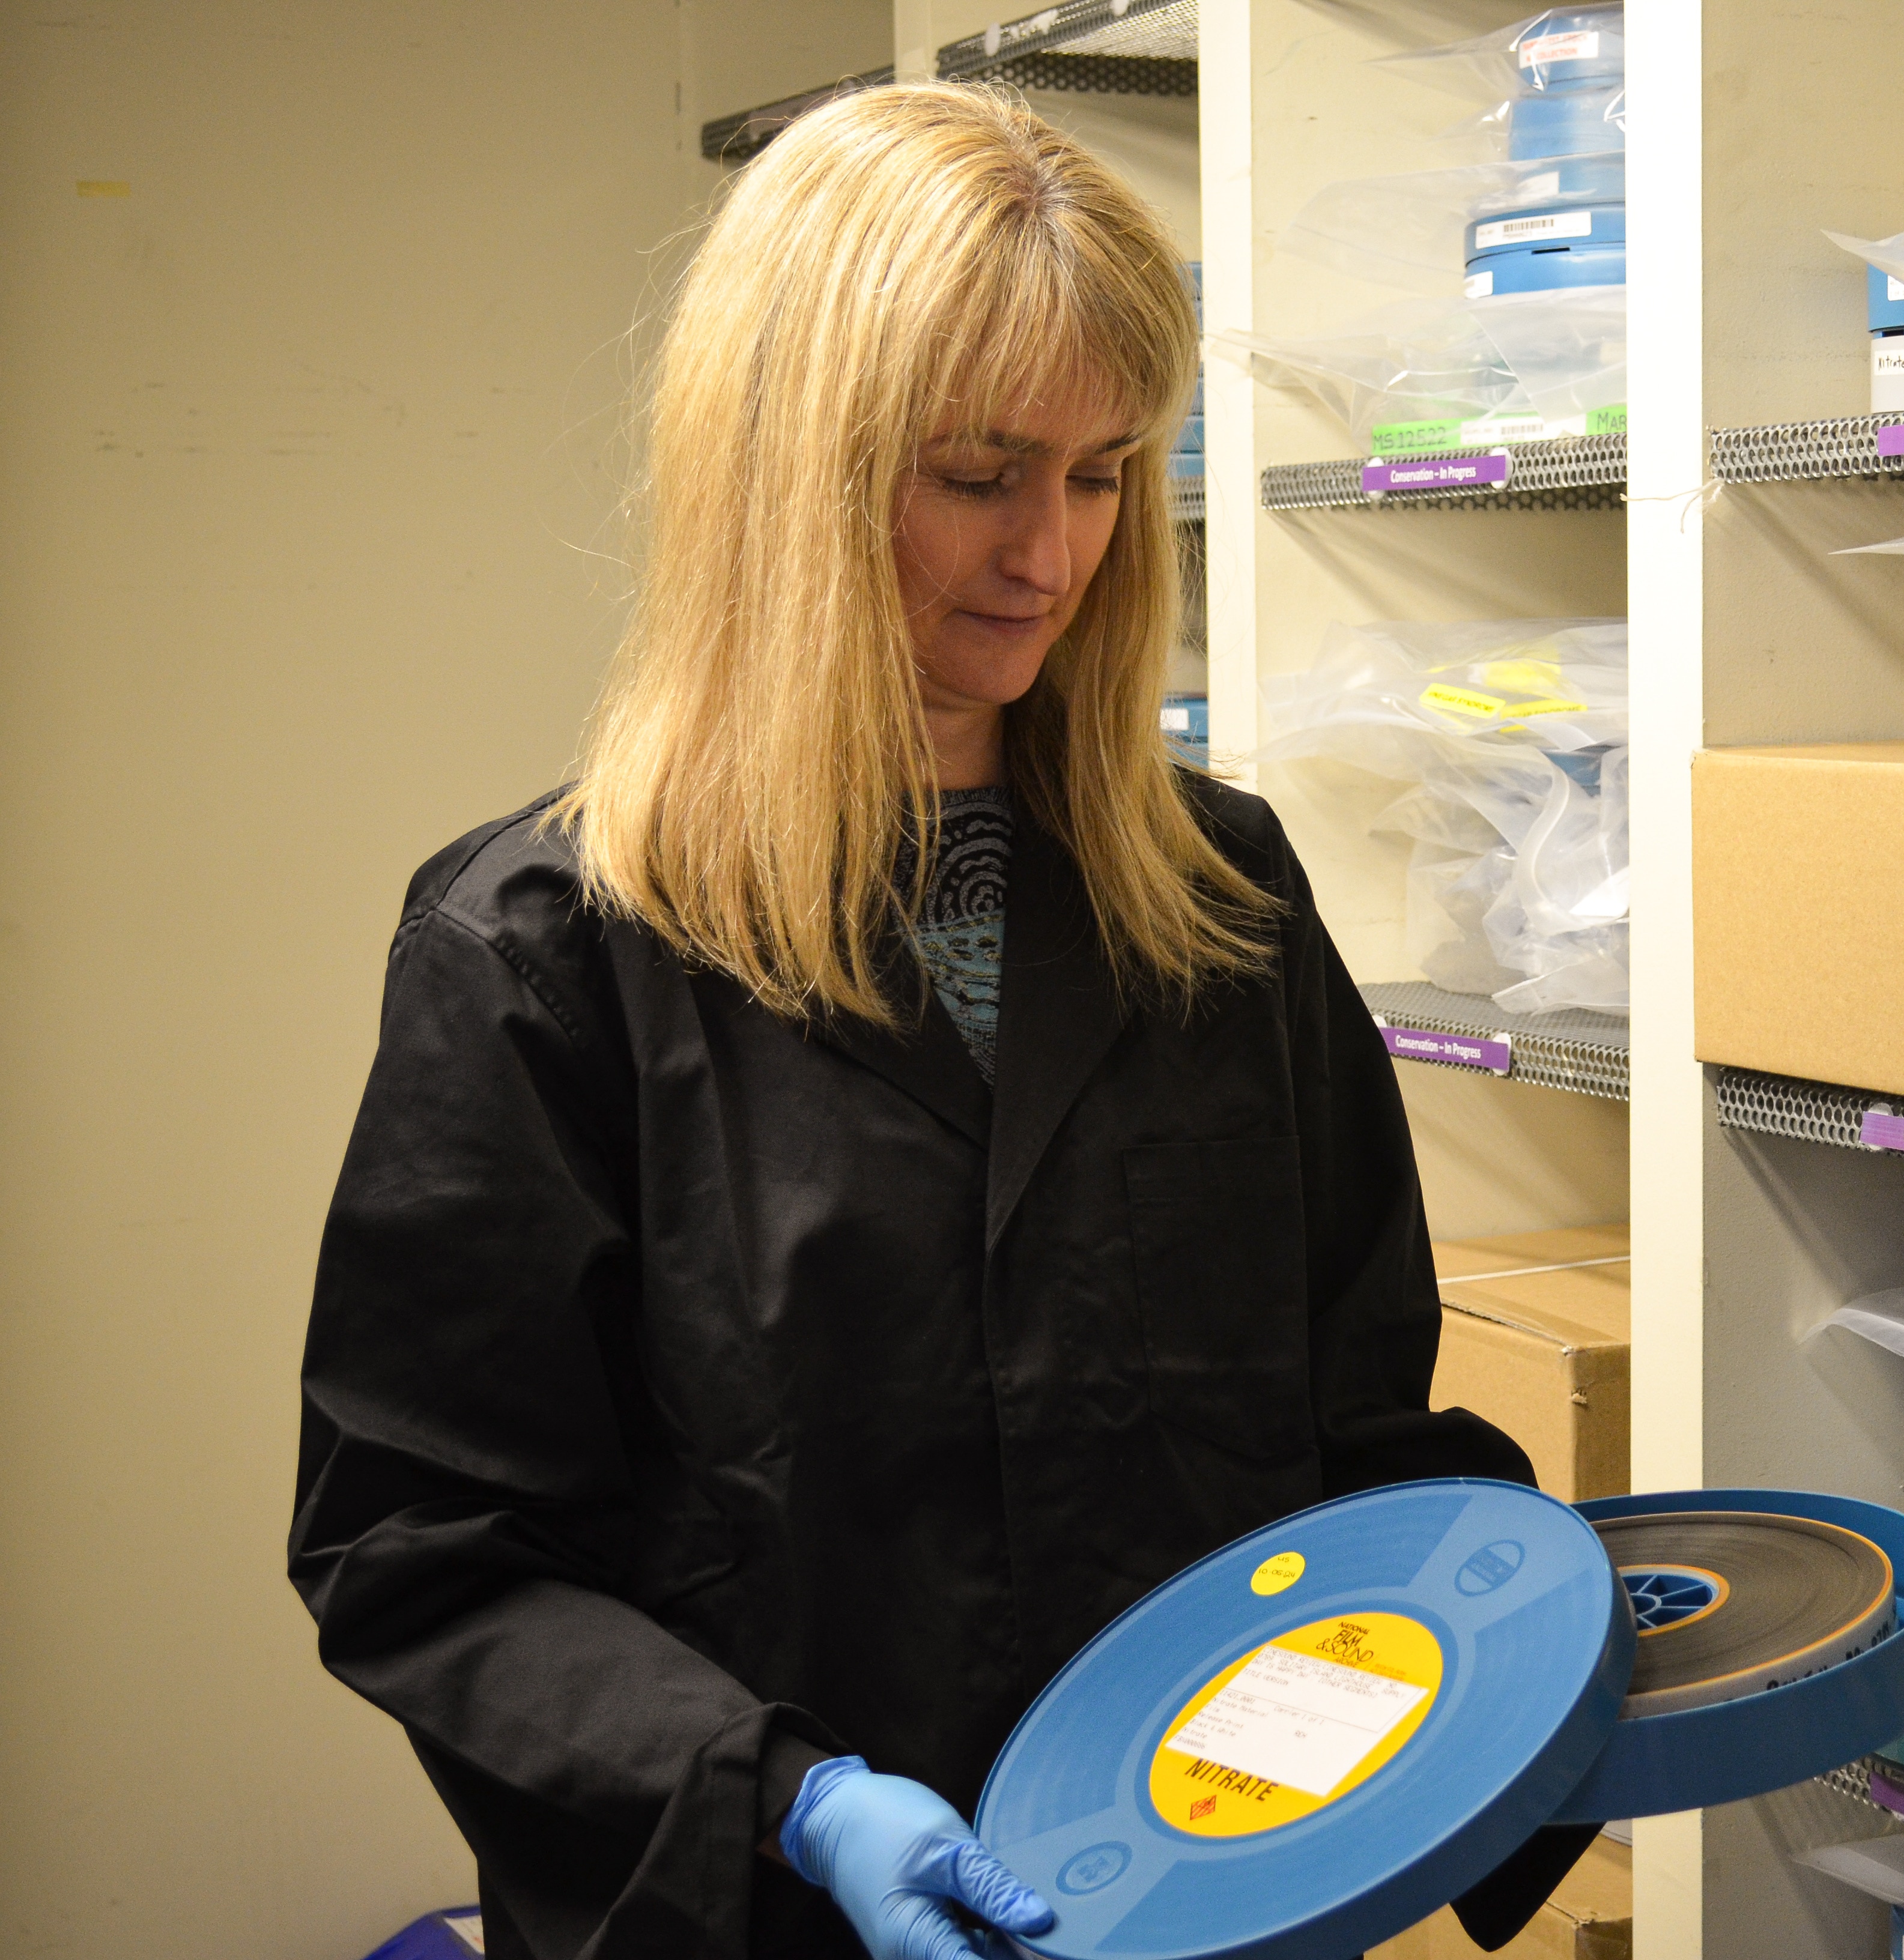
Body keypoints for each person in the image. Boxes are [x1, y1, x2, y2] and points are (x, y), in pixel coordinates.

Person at [288, 85, 1532, 1960]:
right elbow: (426, 1557)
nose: (1053, 553)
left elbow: (1356, 1426)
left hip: (1214, 1903)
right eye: (980, 473)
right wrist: (793, 1802)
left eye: (1105, 473)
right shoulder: (545, 951)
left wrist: (1541, 1647)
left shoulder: (1223, 897)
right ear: (789, 470)